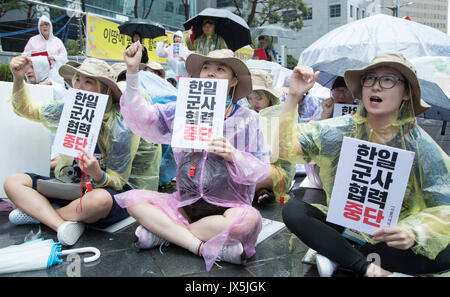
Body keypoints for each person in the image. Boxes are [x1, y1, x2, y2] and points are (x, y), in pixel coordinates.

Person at [278, 53, 450, 277]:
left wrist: (413, 231)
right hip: (346, 227)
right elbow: (285, 149)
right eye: (370, 79)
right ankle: (365, 267)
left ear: (407, 93)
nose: (376, 87)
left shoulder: (420, 145)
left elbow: (444, 206)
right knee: (294, 210)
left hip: (389, 239)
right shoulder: (341, 130)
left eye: (388, 80)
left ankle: (340, 256)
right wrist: (293, 96)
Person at [118, 45, 271, 271]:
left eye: (220, 69)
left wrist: (234, 155)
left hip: (228, 207)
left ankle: (166, 234)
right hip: (184, 203)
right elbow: (143, 116)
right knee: (134, 202)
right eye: (206, 68)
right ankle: (203, 246)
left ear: (233, 81)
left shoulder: (247, 118)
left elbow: (260, 169)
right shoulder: (182, 110)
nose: (210, 72)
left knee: (249, 221)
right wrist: (132, 73)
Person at [4, 57, 161, 246]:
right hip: (72, 184)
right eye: (77, 79)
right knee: (13, 182)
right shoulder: (69, 109)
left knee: (99, 201)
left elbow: (118, 181)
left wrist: (97, 174)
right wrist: (18, 78)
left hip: (107, 191)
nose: (79, 86)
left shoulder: (120, 124)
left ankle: (39, 213)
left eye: (88, 82)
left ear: (106, 90)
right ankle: (62, 223)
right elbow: (27, 109)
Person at [245, 69, 294, 207]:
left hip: (276, 167)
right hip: (250, 165)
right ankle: (262, 192)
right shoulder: (247, 115)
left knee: (251, 179)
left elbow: (284, 151)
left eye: (259, 98)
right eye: (250, 98)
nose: (254, 102)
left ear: (269, 96)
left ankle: (260, 190)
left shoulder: (282, 114)